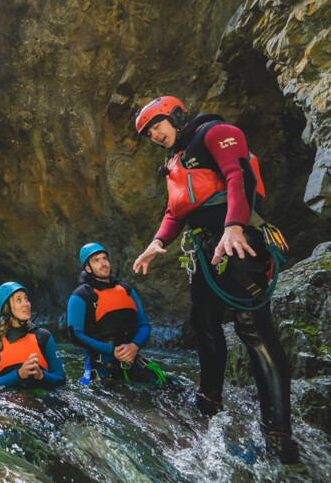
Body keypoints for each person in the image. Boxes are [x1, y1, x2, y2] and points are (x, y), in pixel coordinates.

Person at [131, 96, 299, 464]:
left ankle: (278, 431)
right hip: (204, 249)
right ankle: (209, 401)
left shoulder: (216, 132)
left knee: (253, 327)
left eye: (158, 124)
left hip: (239, 241)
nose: (155, 134)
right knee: (203, 323)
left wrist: (235, 226)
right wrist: (157, 243)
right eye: (148, 133)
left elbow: (240, 176)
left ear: (176, 115)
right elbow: (176, 211)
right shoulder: (175, 160)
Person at [68, 243, 164, 385]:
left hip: (131, 358)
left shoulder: (126, 290)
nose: (103, 264)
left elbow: (143, 324)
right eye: (96, 260)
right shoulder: (80, 296)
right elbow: (76, 335)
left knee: (169, 387)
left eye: (105, 258)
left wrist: (134, 346)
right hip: (101, 364)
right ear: (88, 268)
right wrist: (113, 351)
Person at [0, 282, 66, 388]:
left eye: (26, 299)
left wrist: (41, 375)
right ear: (7, 308)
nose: (26, 304)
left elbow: (61, 379)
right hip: (7, 400)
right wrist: (19, 374)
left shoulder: (44, 337)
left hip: (41, 399)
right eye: (19, 300)